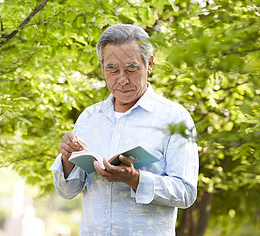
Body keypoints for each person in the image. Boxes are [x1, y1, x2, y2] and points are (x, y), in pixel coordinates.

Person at [50, 23, 198, 235]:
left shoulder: (175, 118)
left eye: (131, 69)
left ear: (149, 64)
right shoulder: (89, 118)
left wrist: (134, 179)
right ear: (102, 66)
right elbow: (66, 191)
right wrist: (66, 158)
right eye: (112, 69)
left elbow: (186, 193)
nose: (122, 79)